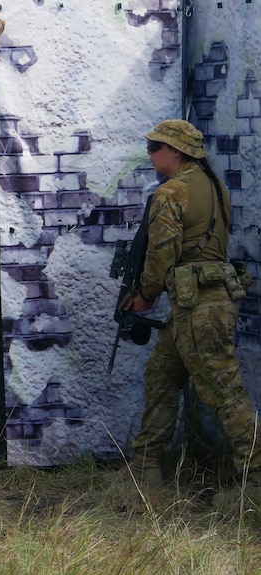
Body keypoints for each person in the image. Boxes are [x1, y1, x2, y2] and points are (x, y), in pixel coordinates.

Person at [122, 119, 258, 496]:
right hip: (201, 307)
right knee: (162, 377)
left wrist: (145, 294)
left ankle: (257, 479)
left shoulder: (171, 193)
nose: (150, 154)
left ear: (176, 151)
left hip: (198, 311)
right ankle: (145, 471)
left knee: (224, 394)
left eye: (155, 147)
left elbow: (162, 255)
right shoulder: (214, 187)